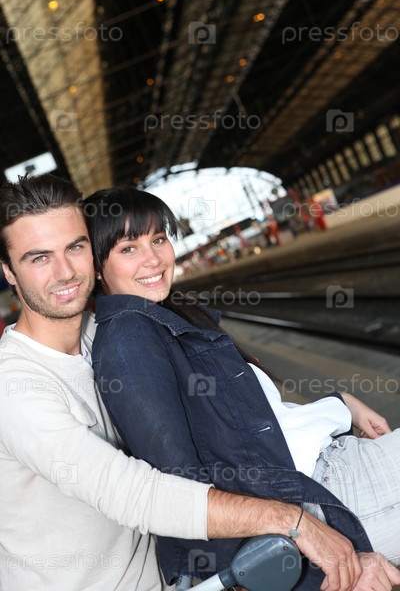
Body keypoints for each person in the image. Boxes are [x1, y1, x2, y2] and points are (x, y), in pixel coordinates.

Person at [0, 173, 378, 591]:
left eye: (75, 247)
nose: (66, 272)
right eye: (39, 258)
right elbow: (135, 494)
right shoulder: (16, 388)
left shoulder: (103, 331)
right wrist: (295, 523)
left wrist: (336, 406)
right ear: (8, 271)